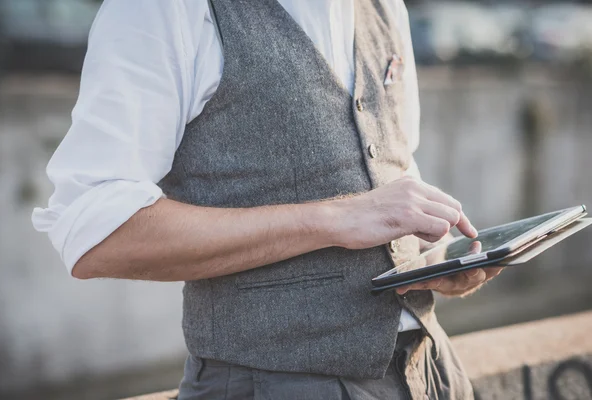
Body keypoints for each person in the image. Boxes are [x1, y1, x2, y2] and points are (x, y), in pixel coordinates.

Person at [32, 0, 503, 398]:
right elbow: (96, 232)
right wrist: (332, 218)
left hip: (430, 372)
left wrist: (438, 260)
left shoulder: (384, 8)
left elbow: (390, 170)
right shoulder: (165, 9)